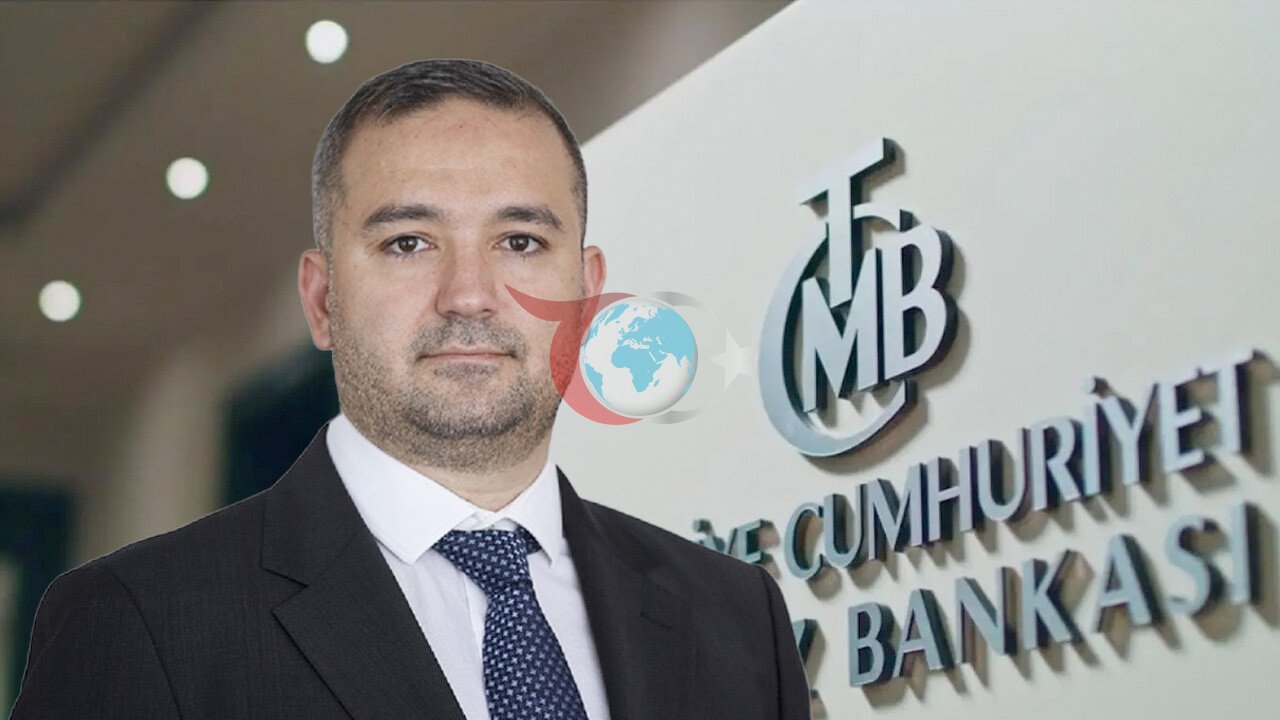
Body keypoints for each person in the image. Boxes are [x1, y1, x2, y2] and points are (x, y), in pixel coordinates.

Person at [12, 59, 810, 720]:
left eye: (520, 241)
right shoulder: (140, 620)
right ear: (322, 300)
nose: (469, 296)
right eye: (408, 243)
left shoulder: (738, 619)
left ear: (587, 292)